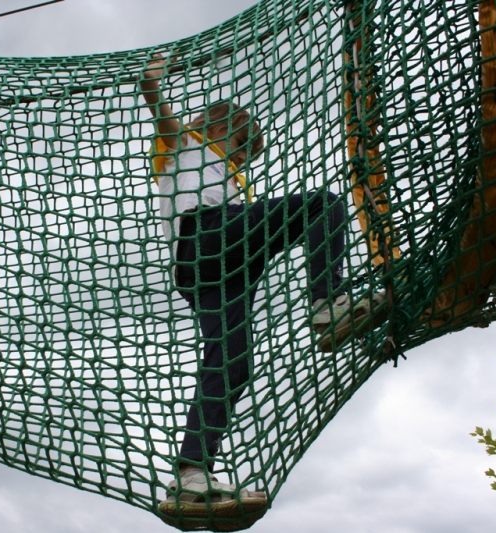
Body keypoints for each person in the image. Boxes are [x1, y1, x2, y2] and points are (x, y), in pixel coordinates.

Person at [139, 53, 385, 524]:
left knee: (232, 359)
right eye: (241, 144)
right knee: (322, 206)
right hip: (204, 236)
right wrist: (155, 76)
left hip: (223, 267)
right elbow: (157, 104)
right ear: (219, 128)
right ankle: (328, 302)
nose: (243, 156)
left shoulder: (235, 180)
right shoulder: (183, 144)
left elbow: (255, 219)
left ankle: (191, 475)